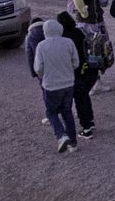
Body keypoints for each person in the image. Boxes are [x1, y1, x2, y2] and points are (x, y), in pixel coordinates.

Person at [34, 17, 82, 152]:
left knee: (51, 112)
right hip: (68, 83)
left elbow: (38, 68)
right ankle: (73, 142)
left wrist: (43, 76)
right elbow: (76, 63)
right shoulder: (68, 42)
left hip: (51, 85)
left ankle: (61, 135)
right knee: (67, 111)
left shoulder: (41, 46)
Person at [60, 12, 102, 140]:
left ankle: (86, 128)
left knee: (79, 100)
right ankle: (90, 121)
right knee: (84, 97)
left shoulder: (65, 38)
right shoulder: (79, 32)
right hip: (89, 69)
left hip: (77, 72)